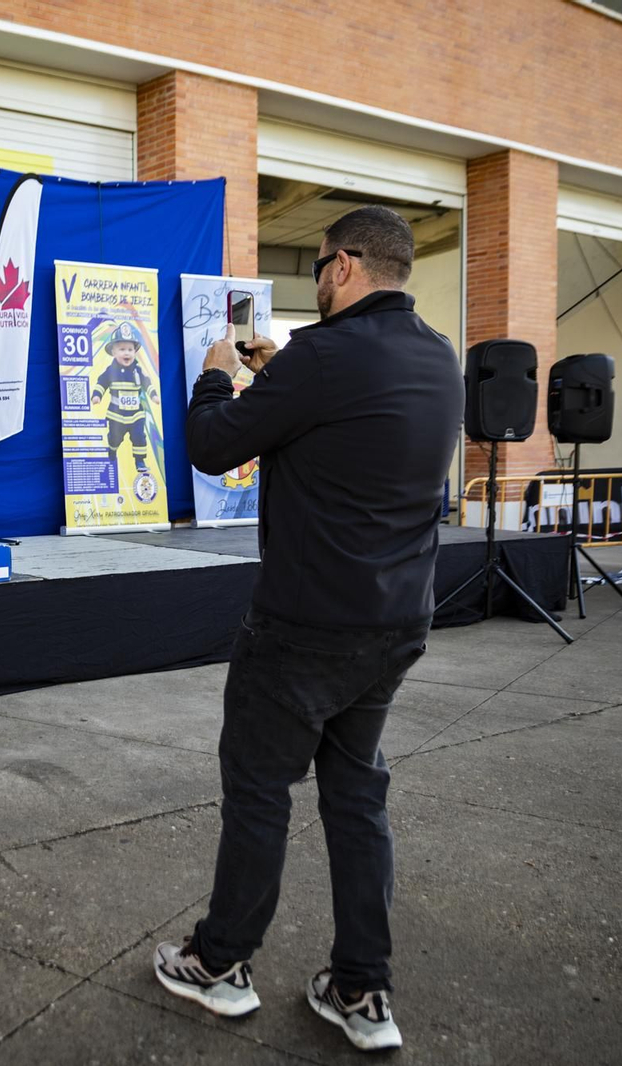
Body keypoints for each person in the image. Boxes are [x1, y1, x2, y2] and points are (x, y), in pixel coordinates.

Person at [156, 206, 463, 1053]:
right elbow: (348, 426)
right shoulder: (439, 358)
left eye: (322, 265)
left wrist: (219, 375)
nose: (319, 280)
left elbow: (212, 446)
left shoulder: (325, 358)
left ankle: (220, 966)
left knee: (259, 794)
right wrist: (283, 368)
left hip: (303, 628)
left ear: (347, 267)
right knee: (357, 799)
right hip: (395, 623)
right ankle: (362, 992)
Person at [91, 321, 160, 476]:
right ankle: (112, 450)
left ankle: (139, 460)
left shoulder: (137, 370)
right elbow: (102, 381)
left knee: (139, 438)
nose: (127, 353)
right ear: (113, 352)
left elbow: (146, 382)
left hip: (136, 415)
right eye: (122, 349)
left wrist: (153, 395)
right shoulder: (111, 370)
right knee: (115, 438)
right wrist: (97, 395)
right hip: (116, 415)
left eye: (130, 349)